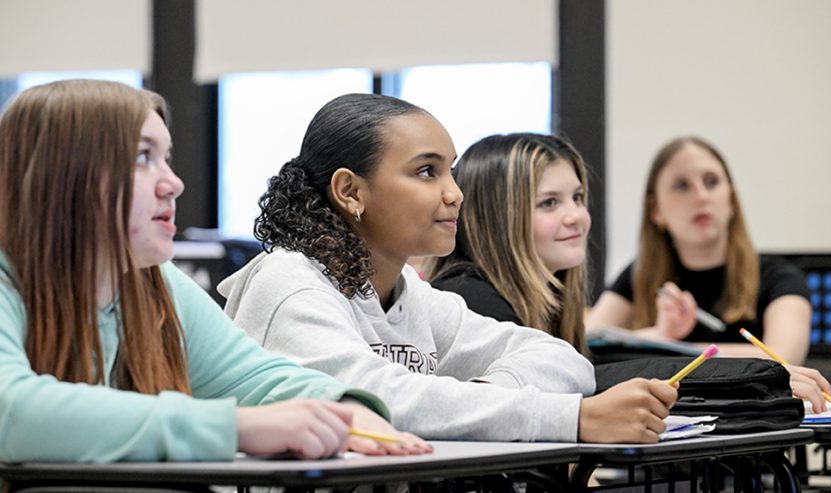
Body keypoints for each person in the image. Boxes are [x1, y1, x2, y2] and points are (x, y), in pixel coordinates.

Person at [0, 80, 430, 463]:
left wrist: (340, 406)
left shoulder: (154, 282)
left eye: (165, 158)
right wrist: (236, 427)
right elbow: (13, 412)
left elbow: (253, 377)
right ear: (62, 177)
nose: (173, 183)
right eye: (142, 158)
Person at [219, 93, 677, 444]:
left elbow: (564, 360)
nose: (454, 193)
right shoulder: (289, 283)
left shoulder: (407, 294)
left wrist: (484, 397)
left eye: (451, 172)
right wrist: (569, 418)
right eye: (426, 172)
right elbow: (370, 403)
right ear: (350, 191)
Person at [586, 135, 830, 411]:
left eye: (711, 182)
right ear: (656, 210)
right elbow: (587, 348)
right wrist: (660, 333)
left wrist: (670, 350)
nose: (701, 197)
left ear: (732, 200)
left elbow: (784, 359)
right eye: (681, 186)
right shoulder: (638, 276)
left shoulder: (781, 277)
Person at [425, 133, 589, 355]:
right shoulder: (472, 304)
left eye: (577, 198)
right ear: (498, 218)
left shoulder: (548, 297)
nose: (576, 216)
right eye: (549, 203)